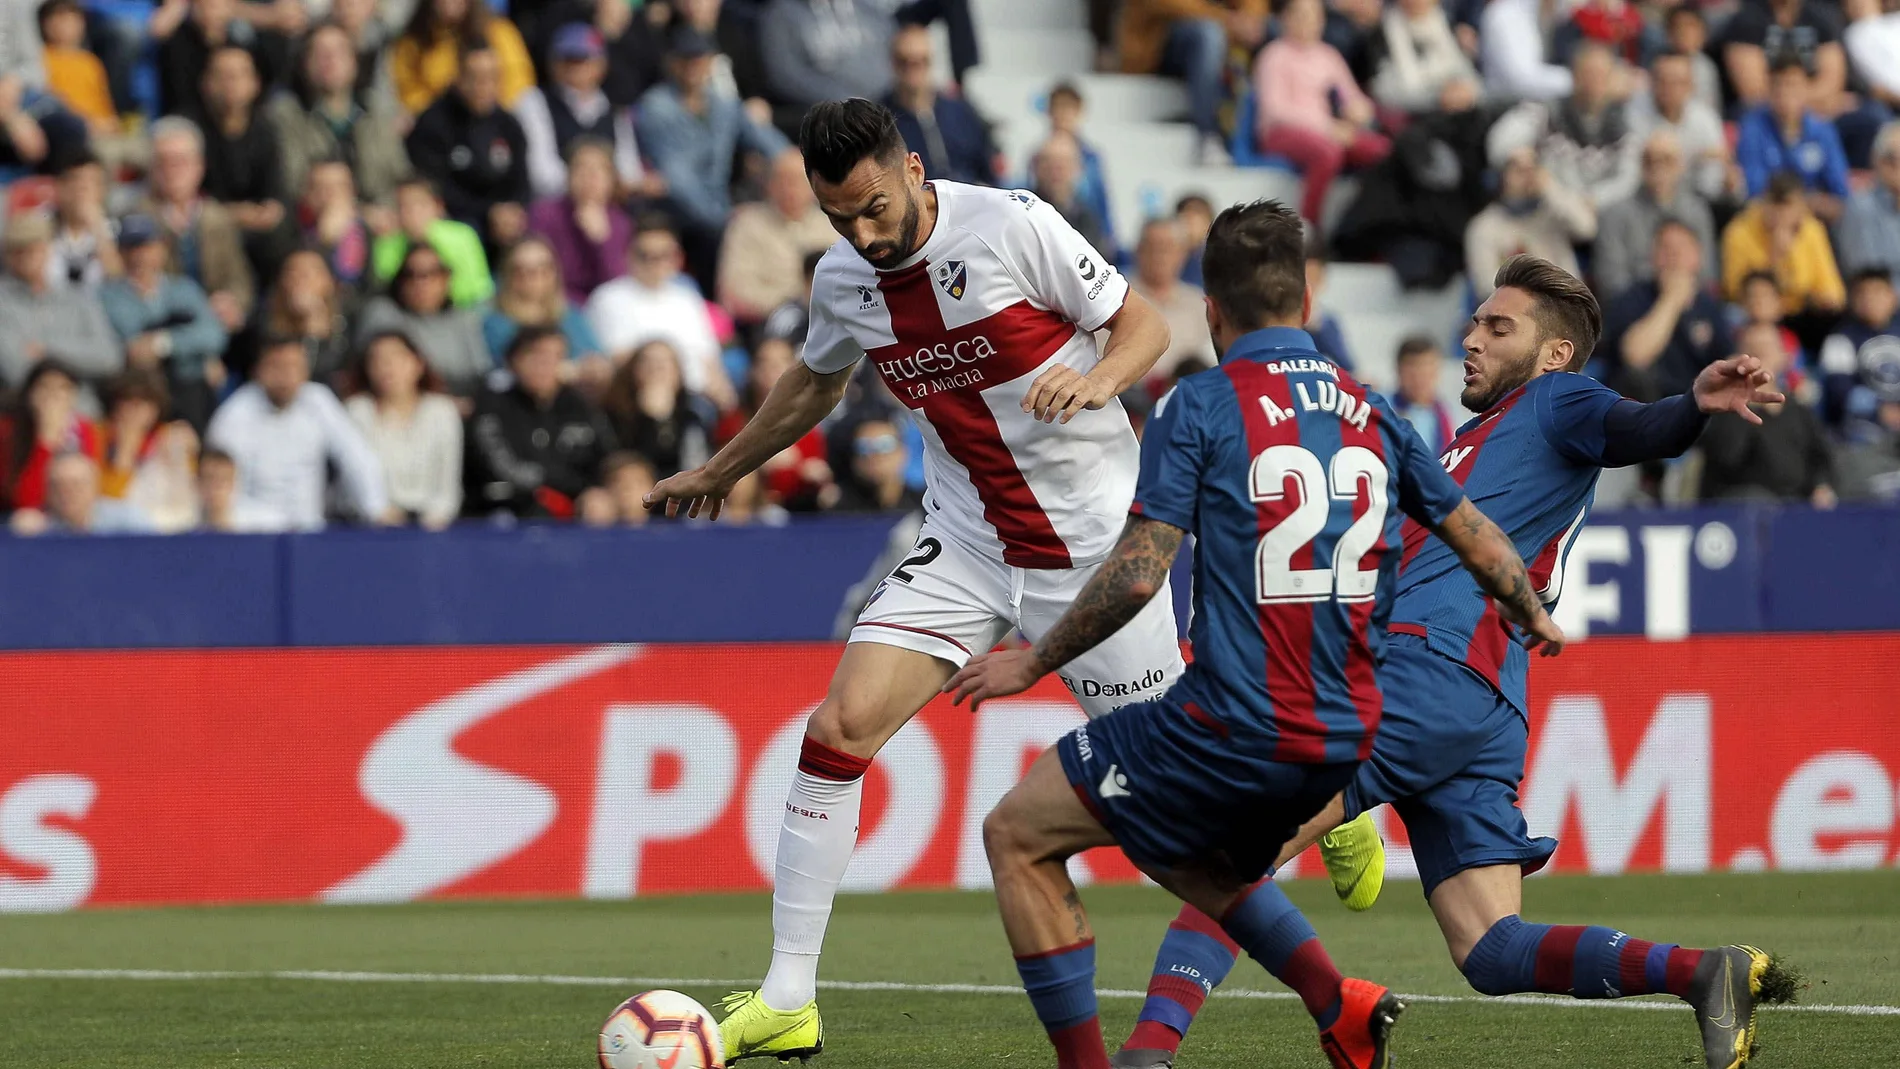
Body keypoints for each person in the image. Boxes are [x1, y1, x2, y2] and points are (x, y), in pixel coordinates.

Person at [1108, 255, 1797, 1069]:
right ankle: (1704, 973)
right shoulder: (1469, 442)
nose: (1471, 339)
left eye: (1497, 328)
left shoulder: (1557, 400)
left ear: (1554, 354)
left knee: (1234, 848)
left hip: (1427, 669)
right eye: (1473, 323)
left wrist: (1690, 407)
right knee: (1491, 948)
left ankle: (1147, 1052)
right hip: (1481, 698)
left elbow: (1637, 428)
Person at [946, 201, 1559, 1069]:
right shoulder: (1374, 411)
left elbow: (1140, 572)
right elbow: (1480, 537)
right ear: (1306, 301)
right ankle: (1337, 1002)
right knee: (1193, 853)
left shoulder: (1198, 404)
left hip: (1234, 722)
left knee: (1017, 830)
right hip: (1348, 735)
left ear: (1212, 309)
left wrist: (1033, 660)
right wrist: (1531, 612)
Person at [643, 97, 1183, 1064]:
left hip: (1092, 550)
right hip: (968, 544)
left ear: (914, 171)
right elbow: (816, 382)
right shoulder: (844, 279)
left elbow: (1146, 325)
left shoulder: (1011, 224)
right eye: (838, 217)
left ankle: (1324, 806)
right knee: (838, 726)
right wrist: (722, 469)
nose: (862, 234)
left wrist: (1100, 381)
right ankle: (789, 994)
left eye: (874, 208)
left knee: (1187, 803)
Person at [206, 334, 388, 530]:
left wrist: (377, 509)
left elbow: (355, 456)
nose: (285, 376)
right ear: (258, 370)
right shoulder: (234, 415)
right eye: (276, 367)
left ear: (305, 371)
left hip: (311, 531)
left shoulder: (319, 401)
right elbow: (221, 490)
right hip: (252, 531)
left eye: (293, 367)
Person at [637, 27, 789, 254]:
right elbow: (677, 178)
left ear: (710, 62)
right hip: (680, 213)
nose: (692, 66)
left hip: (722, 205)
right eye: (685, 58)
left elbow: (765, 139)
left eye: (699, 58)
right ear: (672, 63)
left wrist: (792, 164)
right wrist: (723, 218)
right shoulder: (656, 107)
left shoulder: (722, 103)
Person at [1253, 0, 1390, 224]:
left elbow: (1352, 96)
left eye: (1314, 16)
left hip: (1328, 131)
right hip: (1281, 132)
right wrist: (1327, 127)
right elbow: (1276, 110)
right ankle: (1308, 225)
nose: (1307, 22)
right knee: (1327, 152)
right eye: (1301, 15)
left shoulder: (1328, 55)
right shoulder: (1274, 55)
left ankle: (1363, 225)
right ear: (1285, 18)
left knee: (1382, 151)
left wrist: (1360, 111)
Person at [464, 325, 617, 519]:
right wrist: (557, 484)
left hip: (575, 504)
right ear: (513, 361)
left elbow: (607, 459)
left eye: (556, 357)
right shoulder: (491, 405)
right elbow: (500, 467)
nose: (545, 365)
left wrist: (593, 492)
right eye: (536, 355)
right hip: (508, 507)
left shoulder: (580, 407)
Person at [585, 219, 735, 409]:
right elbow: (620, 360)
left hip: (696, 395)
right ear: (629, 255)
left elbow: (709, 358)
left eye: (663, 255)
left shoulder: (687, 298)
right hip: (637, 397)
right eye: (645, 255)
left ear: (677, 258)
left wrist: (723, 395)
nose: (654, 263)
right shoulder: (608, 298)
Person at [98, 213, 229, 430]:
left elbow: (214, 335)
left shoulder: (183, 289)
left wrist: (163, 343)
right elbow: (125, 346)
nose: (139, 256)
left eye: (146, 247)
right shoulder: (107, 296)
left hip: (186, 385)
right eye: (131, 248)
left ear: (161, 249)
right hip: (137, 389)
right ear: (120, 253)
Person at [269, 21, 413, 210]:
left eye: (339, 52)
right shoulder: (285, 115)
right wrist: (359, 213)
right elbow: (293, 184)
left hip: (382, 215)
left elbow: (401, 178)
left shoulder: (376, 112)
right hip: (312, 218)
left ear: (355, 61)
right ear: (304, 63)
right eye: (319, 53)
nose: (330, 60)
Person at [1487, 42, 1641, 212]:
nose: (1594, 82)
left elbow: (1628, 180)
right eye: (1588, 73)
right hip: (1545, 209)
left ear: (1613, 79)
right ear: (1574, 76)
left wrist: (1593, 200)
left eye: (1601, 75)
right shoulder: (1545, 112)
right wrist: (1517, 155)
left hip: (1600, 213)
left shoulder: (1626, 127)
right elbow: (1500, 141)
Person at [405, 43, 532, 246]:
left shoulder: (509, 125)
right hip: (457, 218)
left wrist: (511, 210)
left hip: (504, 221)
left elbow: (521, 183)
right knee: (468, 230)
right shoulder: (433, 123)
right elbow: (435, 187)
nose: (484, 86)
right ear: (459, 78)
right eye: (476, 78)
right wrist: (489, 212)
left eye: (492, 78)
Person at [1700, 322, 1837, 506]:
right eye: (1752, 351)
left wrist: (1822, 486)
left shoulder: (1799, 411)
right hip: (1744, 506)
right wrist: (1739, 399)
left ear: (1785, 358)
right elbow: (1725, 459)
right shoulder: (1725, 410)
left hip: (1798, 506)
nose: (1760, 356)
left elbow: (1821, 458)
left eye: (1767, 349)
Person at [142, 115, 256, 333]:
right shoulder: (136, 217)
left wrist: (232, 302)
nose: (172, 171)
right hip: (159, 324)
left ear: (199, 166)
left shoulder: (218, 218)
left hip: (217, 324)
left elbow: (239, 278)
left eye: (181, 161)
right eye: (163, 162)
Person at [1599, 218, 1732, 403]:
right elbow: (1635, 357)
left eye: (1681, 247)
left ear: (1697, 256)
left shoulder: (1709, 305)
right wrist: (1671, 300)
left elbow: (1726, 358)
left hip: (1694, 404)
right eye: (1665, 247)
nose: (1673, 255)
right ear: (1652, 256)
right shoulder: (1631, 299)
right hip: (1642, 406)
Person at [513, 23, 650, 202]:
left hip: (609, 206)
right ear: (553, 63)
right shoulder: (534, 102)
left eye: (583, 59)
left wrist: (605, 190)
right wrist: (591, 189)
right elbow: (541, 174)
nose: (576, 67)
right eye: (568, 59)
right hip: (556, 206)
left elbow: (630, 171)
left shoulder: (615, 111)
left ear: (602, 64)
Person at [1118, 0, 1267, 161]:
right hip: (1158, 42)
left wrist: (1250, 19)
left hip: (1223, 31)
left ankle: (1266, 137)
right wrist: (1227, 21)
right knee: (1208, 35)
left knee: (1271, 29)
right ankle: (1208, 136)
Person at [344, 329, 464, 527]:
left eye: (397, 357)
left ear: (418, 364)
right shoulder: (356, 411)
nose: (387, 367)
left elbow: (448, 483)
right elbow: (351, 478)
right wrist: (377, 511)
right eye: (377, 360)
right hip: (370, 524)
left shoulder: (442, 411)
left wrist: (433, 521)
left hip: (430, 524)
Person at [717, 147, 838, 326]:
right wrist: (794, 303)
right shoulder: (746, 225)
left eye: (797, 181)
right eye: (782, 180)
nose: (790, 188)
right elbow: (734, 294)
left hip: (827, 320)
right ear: (769, 185)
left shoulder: (831, 226)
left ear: (814, 186)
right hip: (767, 324)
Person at [0, 212, 122, 389]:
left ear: (48, 250)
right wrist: (78, 358)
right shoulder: (3, 303)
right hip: (28, 401)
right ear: (8, 256)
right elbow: (16, 369)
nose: (28, 257)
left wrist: (48, 349)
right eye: (18, 250)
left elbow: (110, 358)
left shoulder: (76, 297)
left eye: (35, 248)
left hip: (80, 400)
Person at [357, 242, 494, 396]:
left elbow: (482, 373)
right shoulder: (383, 314)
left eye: (431, 273)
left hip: (463, 403)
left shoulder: (465, 319)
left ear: (446, 279)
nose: (420, 283)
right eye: (410, 274)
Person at [1592, 129, 1716, 297]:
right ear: (1640, 165)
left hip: (1688, 300)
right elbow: (1611, 283)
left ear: (1681, 165)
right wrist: (1660, 289)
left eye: (1667, 160)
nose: (1658, 167)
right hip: (1633, 305)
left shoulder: (1697, 212)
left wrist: (1677, 293)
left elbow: (1707, 274)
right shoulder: (1613, 216)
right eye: (1650, 160)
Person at [1464, 147, 1596, 297]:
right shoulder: (1483, 227)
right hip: (1519, 307)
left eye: (1533, 167)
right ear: (1501, 176)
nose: (1528, 175)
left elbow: (1587, 230)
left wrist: (1550, 188)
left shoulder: (1554, 208)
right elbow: (1485, 287)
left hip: (1569, 301)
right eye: (1518, 169)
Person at [1735, 55, 1849, 219]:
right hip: (1768, 218)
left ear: (1806, 88)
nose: (1785, 92)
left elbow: (1840, 191)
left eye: (1792, 85)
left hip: (1816, 219)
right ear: (1769, 89)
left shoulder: (1823, 131)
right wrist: (1797, 203)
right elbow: (1754, 188)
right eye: (1778, 85)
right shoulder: (1753, 128)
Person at [193, 45, 287, 240]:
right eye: (222, 75)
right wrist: (233, 214)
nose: (231, 83)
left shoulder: (268, 130)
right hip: (203, 227)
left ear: (256, 83)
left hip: (260, 226)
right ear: (205, 83)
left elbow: (276, 191)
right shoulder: (189, 132)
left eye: (239, 75)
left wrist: (271, 209)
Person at [884, 23, 995, 187]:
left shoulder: (961, 112)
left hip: (966, 194)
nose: (913, 70)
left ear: (931, 62)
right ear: (893, 63)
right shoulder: (881, 120)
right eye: (904, 62)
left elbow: (988, 170)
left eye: (921, 61)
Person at [1721, 171, 1845, 316]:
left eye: (1787, 206)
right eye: (1775, 205)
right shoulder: (1739, 232)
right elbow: (1734, 290)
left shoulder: (1812, 230)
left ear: (1801, 207)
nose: (1780, 214)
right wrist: (1774, 257)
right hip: (1757, 313)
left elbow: (1833, 292)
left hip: (1802, 311)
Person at [528, 137, 634, 304]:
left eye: (598, 170)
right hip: (556, 303)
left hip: (604, 305)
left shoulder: (621, 223)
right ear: (568, 176)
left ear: (612, 180)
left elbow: (620, 287)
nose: (589, 177)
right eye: (581, 168)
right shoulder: (544, 214)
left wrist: (602, 242)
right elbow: (535, 272)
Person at [231, 247, 355, 386]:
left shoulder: (346, 323)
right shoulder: (262, 323)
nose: (299, 281)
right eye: (292, 274)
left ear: (328, 281)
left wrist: (315, 332)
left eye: (307, 274)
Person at [1628, 50, 1737, 206]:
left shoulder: (1705, 119)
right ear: (1651, 82)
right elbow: (1632, 169)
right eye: (1662, 81)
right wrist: (1693, 158)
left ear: (1690, 86)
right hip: (1643, 200)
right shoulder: (1633, 113)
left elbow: (1715, 174)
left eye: (1677, 82)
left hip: (1695, 200)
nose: (1669, 88)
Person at [97, 368, 197, 532]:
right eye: (128, 400)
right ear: (114, 404)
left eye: (144, 401)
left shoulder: (170, 436)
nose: (136, 409)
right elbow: (107, 508)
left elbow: (186, 499)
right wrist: (124, 454)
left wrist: (180, 458)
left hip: (167, 528)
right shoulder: (98, 435)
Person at [390, 0, 533, 115]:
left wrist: (490, 112)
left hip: (493, 120)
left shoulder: (497, 30)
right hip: (439, 125)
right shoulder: (415, 40)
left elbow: (519, 80)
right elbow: (408, 90)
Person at [758, 0, 895, 118]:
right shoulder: (781, 14)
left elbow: (895, 51)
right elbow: (787, 77)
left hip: (888, 105)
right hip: (828, 115)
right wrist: (846, 99)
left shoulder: (868, 9)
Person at [372, 176, 495, 307]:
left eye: (419, 205)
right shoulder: (386, 243)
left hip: (461, 309)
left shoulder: (462, 236)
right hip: (405, 312)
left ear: (438, 206)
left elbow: (478, 288)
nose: (411, 212)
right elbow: (385, 285)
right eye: (403, 206)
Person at [484, 235, 605, 367]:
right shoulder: (495, 324)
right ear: (508, 275)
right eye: (522, 270)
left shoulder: (570, 315)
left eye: (544, 268)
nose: (536, 277)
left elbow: (597, 358)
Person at [600, 339, 713, 479]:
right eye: (647, 362)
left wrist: (663, 419)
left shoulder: (695, 409)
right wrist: (650, 420)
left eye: (664, 363)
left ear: (678, 373)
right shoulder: (615, 412)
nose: (655, 369)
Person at [0, 359, 102, 513]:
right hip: (22, 514)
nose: (53, 395)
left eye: (63, 388)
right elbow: (25, 501)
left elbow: (90, 488)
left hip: (71, 512)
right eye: (45, 387)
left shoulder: (84, 429)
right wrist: (45, 440)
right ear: (30, 393)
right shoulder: (7, 429)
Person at [1720, 0, 1849, 114]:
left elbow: (1832, 85)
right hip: (1765, 113)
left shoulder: (1822, 18)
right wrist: (1792, 103)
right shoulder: (1745, 21)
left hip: (1815, 113)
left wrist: (1797, 102)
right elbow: (1753, 92)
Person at [1128, 217, 1212, 381]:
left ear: (1182, 254)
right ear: (1138, 250)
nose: (1159, 256)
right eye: (1152, 247)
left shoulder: (1199, 304)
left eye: (1167, 248)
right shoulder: (1118, 298)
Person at [1819, 267, 1900, 429]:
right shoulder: (1839, 340)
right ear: (1852, 300)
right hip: (1863, 426)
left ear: (1893, 297)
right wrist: (1880, 409)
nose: (1870, 300)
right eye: (1862, 294)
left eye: (1878, 293)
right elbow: (1839, 390)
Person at [1370, 0, 1482, 115]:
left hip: (1464, 108)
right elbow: (1383, 92)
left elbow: (1469, 74)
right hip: (1417, 115)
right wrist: (1438, 98)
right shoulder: (1383, 33)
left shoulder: (1448, 23)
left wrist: (1466, 91)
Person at [8, 450, 155, 534]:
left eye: (76, 484)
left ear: (94, 487)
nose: (67, 493)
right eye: (57, 485)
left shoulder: (128, 520)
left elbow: (154, 556)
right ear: (47, 492)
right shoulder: (41, 527)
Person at [1043, 83, 1112, 249]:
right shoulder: (1038, 154)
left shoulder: (1092, 159)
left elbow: (1101, 203)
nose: (1062, 115)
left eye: (1068, 108)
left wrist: (1108, 237)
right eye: (1057, 107)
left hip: (1085, 234)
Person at [293, 158, 375, 297]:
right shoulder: (290, 228)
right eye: (321, 188)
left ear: (353, 192)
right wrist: (323, 242)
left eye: (339, 187)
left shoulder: (369, 230)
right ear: (307, 193)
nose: (331, 196)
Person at [1030, 132, 1114, 261]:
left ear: (1077, 169)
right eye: (1048, 164)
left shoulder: (1089, 221)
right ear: (1035, 168)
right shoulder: (1022, 212)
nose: (1055, 173)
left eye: (1062, 166)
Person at [45, 151, 121, 292]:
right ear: (59, 187)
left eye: (91, 182)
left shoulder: (116, 229)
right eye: (75, 180)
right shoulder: (41, 225)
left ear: (103, 190)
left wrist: (98, 229)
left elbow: (119, 281)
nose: (82, 189)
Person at [1837, 121, 1900, 282]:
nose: (1898, 168)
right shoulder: (1860, 208)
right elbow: (1866, 278)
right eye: (1891, 160)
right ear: (1876, 161)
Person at [1480, 0, 1573, 102]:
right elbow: (1521, 80)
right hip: (1503, 105)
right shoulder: (1506, 15)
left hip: (1540, 101)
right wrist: (1575, 80)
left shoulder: (1549, 18)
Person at [830, 416, 917, 512]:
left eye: (884, 445)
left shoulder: (924, 505)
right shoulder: (838, 509)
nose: (873, 455)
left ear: (903, 452)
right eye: (863, 447)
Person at [194, 444, 288, 530]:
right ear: (198, 483)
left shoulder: (266, 525)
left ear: (233, 483)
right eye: (209, 479)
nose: (215, 487)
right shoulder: (189, 526)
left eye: (223, 480)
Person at [1389, 336, 1455, 454]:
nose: (1419, 379)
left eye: (1426, 371)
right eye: (1412, 371)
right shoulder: (1383, 409)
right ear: (1398, 370)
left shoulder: (1445, 416)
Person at [1303, 242, 1354, 372]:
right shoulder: (1284, 317)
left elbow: (1346, 363)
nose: (1309, 283)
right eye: (1306, 276)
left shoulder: (1328, 322)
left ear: (1322, 280)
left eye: (1314, 277)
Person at [579, 449, 658, 526]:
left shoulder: (661, 528)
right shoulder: (597, 525)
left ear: (653, 486)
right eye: (619, 482)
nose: (628, 488)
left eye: (637, 482)